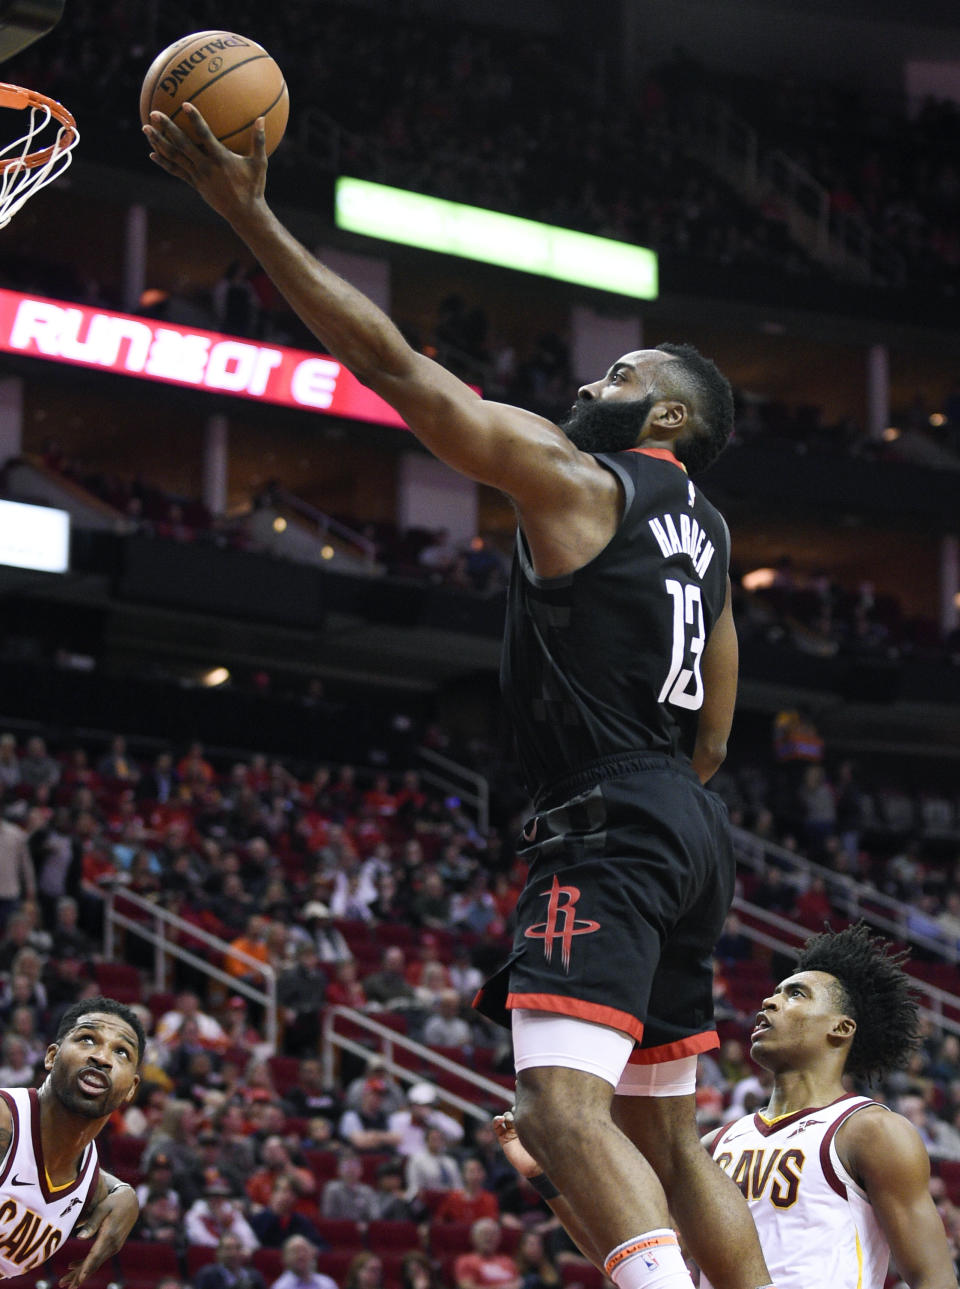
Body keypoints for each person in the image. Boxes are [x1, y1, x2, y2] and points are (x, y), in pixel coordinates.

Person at [145, 105, 767, 1289]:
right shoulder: (715, 534)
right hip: (691, 825)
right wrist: (654, 795)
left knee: (553, 1102)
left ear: (670, 416)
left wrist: (249, 212)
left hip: (608, 815)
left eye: (623, 373)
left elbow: (390, 365)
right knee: (672, 1133)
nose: (596, 378)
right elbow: (720, 728)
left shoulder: (579, 479)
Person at [497, 925, 959, 1289]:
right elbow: (640, 1256)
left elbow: (933, 1278)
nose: (770, 1000)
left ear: (840, 1028)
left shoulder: (871, 1132)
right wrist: (544, 1178)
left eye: (795, 994)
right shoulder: (714, 1144)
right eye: (775, 991)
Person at [0, 995, 146, 1287]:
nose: (102, 1058)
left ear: (131, 1088)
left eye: (121, 1052)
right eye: (88, 1040)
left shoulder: (89, 1187)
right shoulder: (4, 1124)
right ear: (52, 1056)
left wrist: (126, 1194)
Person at [269, 1234, 338, 1289]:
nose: (301, 1255)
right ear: (285, 1258)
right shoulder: (280, 1287)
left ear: (313, 1253)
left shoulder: (327, 1283)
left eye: (304, 1250)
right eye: (295, 1251)